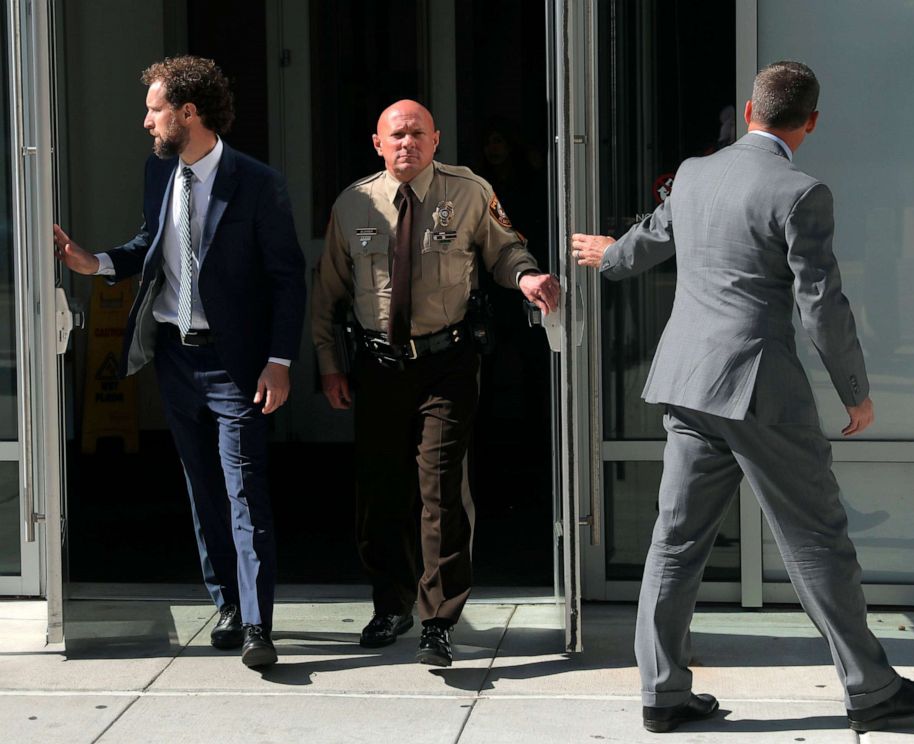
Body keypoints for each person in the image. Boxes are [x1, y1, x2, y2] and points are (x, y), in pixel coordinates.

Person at [571, 61, 914, 734]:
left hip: (687, 384)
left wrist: (609, 256)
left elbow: (653, 239)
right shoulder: (801, 192)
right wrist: (855, 391)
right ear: (810, 122)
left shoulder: (693, 173)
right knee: (817, 541)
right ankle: (871, 689)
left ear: (750, 110)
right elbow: (821, 306)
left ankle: (662, 694)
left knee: (675, 544)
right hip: (756, 391)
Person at [53, 56, 305, 669]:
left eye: (154, 109)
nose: (146, 122)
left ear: (188, 113)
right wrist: (97, 264)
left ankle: (256, 626)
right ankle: (225, 604)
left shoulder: (256, 182)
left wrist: (279, 361)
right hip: (173, 357)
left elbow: (287, 277)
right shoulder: (158, 171)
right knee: (203, 490)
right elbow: (151, 245)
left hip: (235, 364)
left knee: (244, 490)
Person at [312, 99, 559, 667]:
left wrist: (526, 276)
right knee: (379, 492)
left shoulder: (469, 191)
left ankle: (438, 619)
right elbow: (327, 292)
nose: (408, 143)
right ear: (377, 143)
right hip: (376, 366)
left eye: (418, 134)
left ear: (436, 139)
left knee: (441, 488)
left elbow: (506, 249)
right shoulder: (354, 204)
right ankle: (391, 601)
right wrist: (329, 364)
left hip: (446, 361)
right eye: (396, 135)